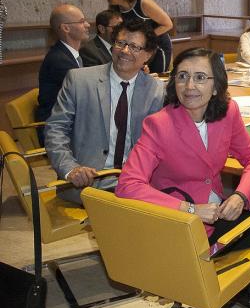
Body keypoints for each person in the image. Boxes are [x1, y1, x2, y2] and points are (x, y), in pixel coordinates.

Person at [115, 48, 250, 308]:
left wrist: (240, 195)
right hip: (181, 225)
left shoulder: (228, 112)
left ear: (216, 87)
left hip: (217, 212)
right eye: (183, 77)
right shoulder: (159, 125)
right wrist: (189, 209)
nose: (190, 86)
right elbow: (127, 185)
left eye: (200, 77)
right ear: (173, 82)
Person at [45, 20, 164, 205]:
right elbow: (55, 130)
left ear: (147, 55)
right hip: (86, 183)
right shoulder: (79, 80)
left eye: (134, 47)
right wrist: (70, 169)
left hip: (136, 182)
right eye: (120, 43)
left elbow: (159, 143)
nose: (125, 51)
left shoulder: (157, 90)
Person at [36, 4, 91, 144]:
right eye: (81, 21)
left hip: (71, 122)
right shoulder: (59, 60)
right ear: (66, 28)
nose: (87, 24)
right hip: (59, 131)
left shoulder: (69, 54)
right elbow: (86, 94)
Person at [101, 0, 173, 73]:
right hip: (136, 48)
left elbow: (168, 24)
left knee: (155, 79)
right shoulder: (116, 9)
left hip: (157, 47)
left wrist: (145, 39)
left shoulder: (143, 2)